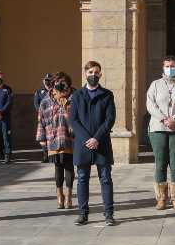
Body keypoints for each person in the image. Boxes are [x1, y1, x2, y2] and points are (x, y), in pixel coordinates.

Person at [69, 60, 116, 226]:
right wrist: (86, 139)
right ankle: (83, 213)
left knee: (105, 178)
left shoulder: (107, 95)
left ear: (100, 74)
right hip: (82, 145)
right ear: (85, 74)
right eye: (90, 73)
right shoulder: (76, 95)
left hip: (101, 144)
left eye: (96, 73)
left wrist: (96, 138)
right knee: (82, 178)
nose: (93, 76)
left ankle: (109, 214)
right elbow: (73, 120)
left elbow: (110, 119)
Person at [146, 56, 175, 211]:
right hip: (158, 128)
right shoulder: (155, 85)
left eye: (172, 65)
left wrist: (174, 118)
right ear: (163, 67)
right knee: (160, 163)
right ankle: (161, 198)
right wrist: (163, 119)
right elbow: (150, 104)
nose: (170, 68)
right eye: (167, 66)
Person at [37, 72, 76, 209]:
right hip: (53, 137)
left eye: (64, 82)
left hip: (70, 137)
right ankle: (60, 194)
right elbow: (41, 120)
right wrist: (41, 138)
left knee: (69, 166)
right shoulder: (46, 100)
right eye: (58, 82)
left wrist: (66, 108)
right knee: (58, 166)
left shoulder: (75, 98)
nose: (61, 85)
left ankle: (70, 194)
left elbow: (78, 119)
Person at [34, 73, 54, 163]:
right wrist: (42, 112)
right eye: (45, 80)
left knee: (52, 136)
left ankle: (52, 154)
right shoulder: (39, 92)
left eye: (49, 80)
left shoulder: (55, 91)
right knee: (42, 137)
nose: (47, 82)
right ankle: (45, 155)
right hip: (42, 117)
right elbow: (36, 104)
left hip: (53, 117)